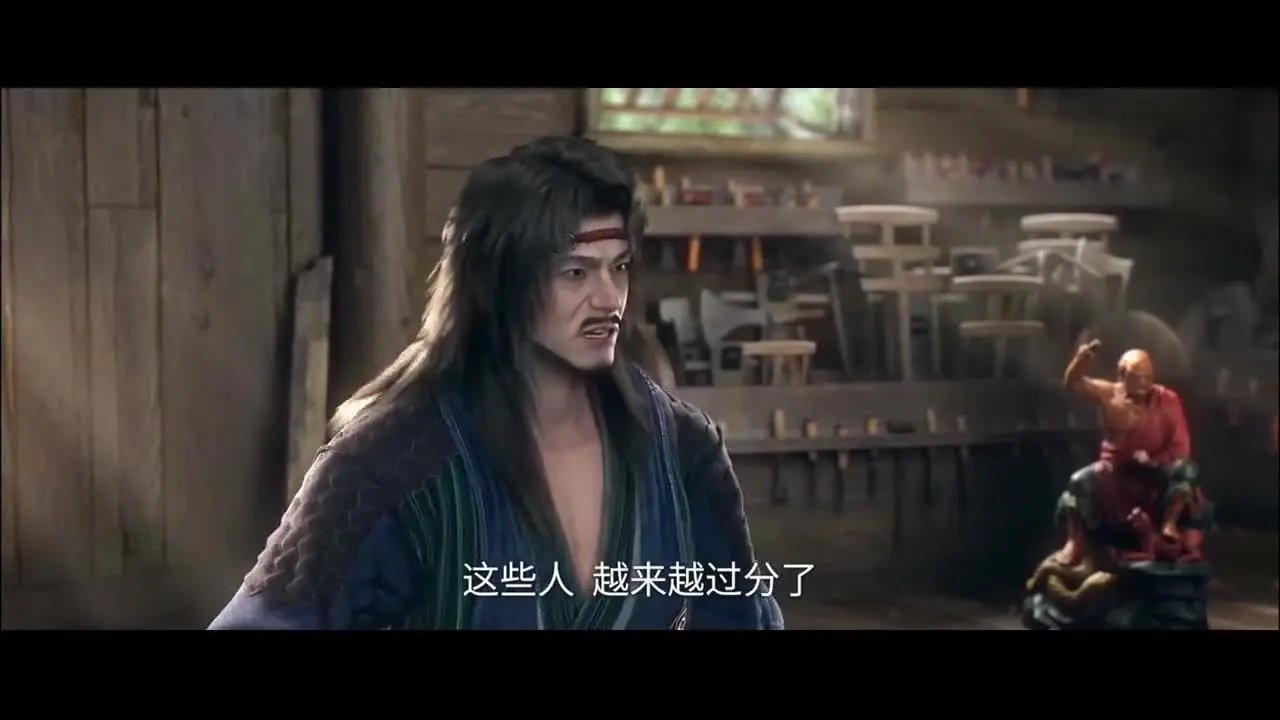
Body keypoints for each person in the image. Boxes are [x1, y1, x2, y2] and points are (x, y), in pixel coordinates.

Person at [209, 136, 784, 630]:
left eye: (619, 267)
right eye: (576, 272)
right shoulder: (392, 461)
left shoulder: (682, 450)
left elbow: (740, 616)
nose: (608, 298)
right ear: (501, 282)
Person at [1055, 340, 1207, 566]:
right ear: (1122, 375)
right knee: (1079, 481)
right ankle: (1075, 542)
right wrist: (1081, 359)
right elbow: (1073, 383)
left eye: (1147, 377)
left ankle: (1169, 524)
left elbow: (1181, 446)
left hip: (1156, 473)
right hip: (1116, 471)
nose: (1143, 383)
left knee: (1187, 470)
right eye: (1137, 377)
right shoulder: (1109, 393)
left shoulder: (1168, 400)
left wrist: (1154, 460)